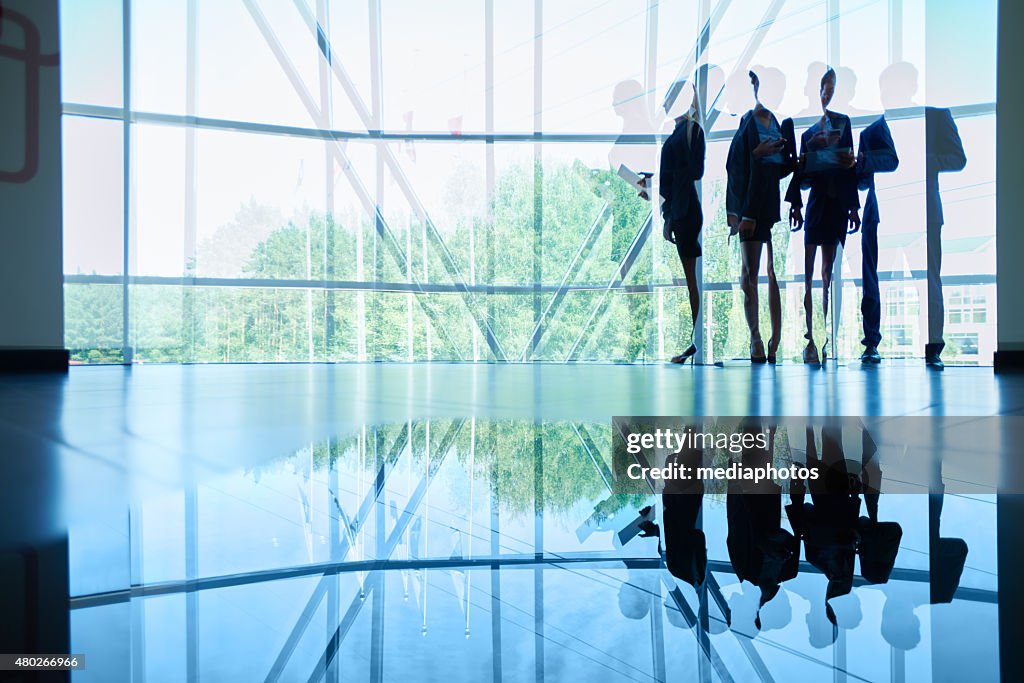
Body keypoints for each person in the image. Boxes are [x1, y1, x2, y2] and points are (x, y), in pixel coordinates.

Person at [787, 67, 860, 365]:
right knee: (808, 276)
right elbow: (803, 178)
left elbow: (850, 166)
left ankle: (826, 336)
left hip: (836, 206)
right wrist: (797, 199)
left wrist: (853, 206)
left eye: (832, 88)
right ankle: (810, 338)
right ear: (818, 92)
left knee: (828, 275)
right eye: (824, 88)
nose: (827, 94)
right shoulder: (807, 135)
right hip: (817, 204)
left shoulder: (844, 124)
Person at [725, 68, 796, 363]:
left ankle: (774, 339)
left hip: (769, 204)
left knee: (770, 272)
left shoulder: (777, 122)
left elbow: (777, 168)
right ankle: (755, 338)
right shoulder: (747, 121)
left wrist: (793, 160)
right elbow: (735, 163)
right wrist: (757, 152)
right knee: (750, 275)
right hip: (750, 206)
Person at [658, 81, 706, 364]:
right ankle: (694, 339)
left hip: (684, 211)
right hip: (682, 210)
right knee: (690, 280)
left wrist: (668, 212)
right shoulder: (686, 132)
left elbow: (694, 172)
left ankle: (695, 342)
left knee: (691, 280)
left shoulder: (687, 133)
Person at [855, 111, 900, 363]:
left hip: (874, 215)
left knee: (870, 280)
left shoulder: (874, 129)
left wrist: (862, 161)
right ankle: (869, 341)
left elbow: (891, 162)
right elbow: (862, 183)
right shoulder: (841, 132)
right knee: (867, 280)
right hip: (861, 215)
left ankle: (872, 341)